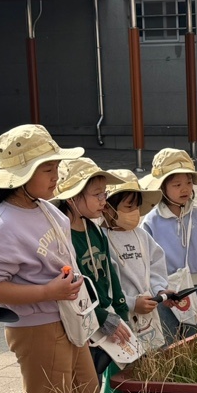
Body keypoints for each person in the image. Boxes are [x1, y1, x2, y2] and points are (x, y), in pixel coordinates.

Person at [0, 125, 95, 393]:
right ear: (21, 176)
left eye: (57, 167)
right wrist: (46, 292)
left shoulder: (48, 210)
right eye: (47, 169)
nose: (56, 175)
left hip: (69, 318)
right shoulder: (1, 223)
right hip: (36, 326)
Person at [52, 157, 134, 380]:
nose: (103, 201)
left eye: (104, 194)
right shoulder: (61, 237)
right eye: (97, 194)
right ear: (72, 197)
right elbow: (70, 287)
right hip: (79, 325)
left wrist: (121, 310)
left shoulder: (96, 230)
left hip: (106, 321)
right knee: (82, 385)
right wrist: (99, 316)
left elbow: (110, 273)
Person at [141, 148, 197, 342]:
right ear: (162, 187)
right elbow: (146, 262)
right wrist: (156, 290)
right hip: (164, 293)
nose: (184, 189)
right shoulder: (151, 222)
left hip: (196, 289)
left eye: (188, 182)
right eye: (177, 184)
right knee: (168, 342)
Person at [103, 171, 169, 350]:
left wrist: (159, 290)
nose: (135, 212)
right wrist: (131, 303)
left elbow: (156, 263)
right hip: (121, 317)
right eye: (128, 206)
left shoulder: (141, 235)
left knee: (152, 357)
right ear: (107, 208)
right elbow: (105, 283)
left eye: (137, 207)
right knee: (126, 360)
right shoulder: (102, 238)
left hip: (148, 311)